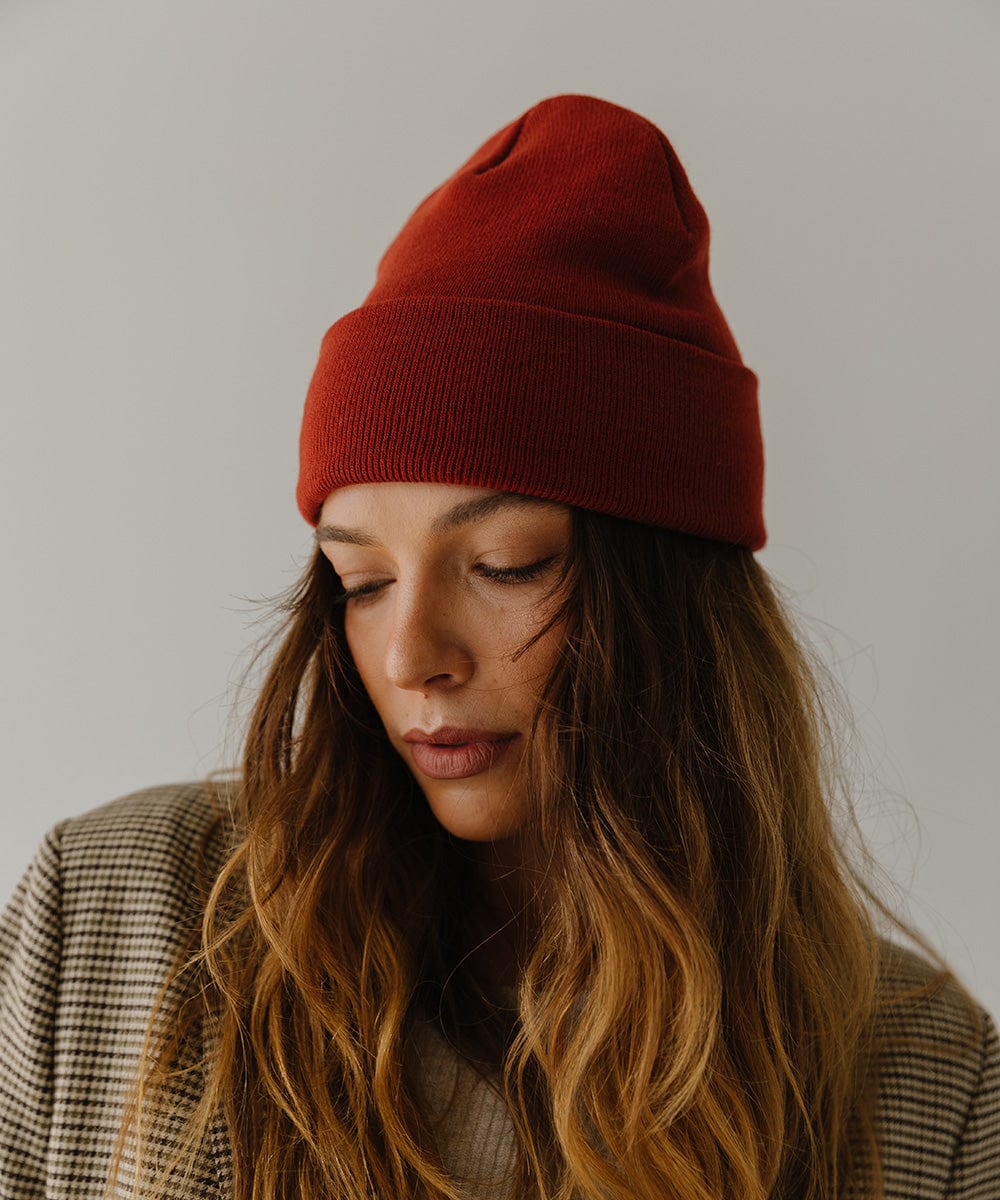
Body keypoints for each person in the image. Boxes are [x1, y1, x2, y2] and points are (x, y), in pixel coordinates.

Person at [0, 93, 996, 1200]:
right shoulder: (114, 916)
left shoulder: (926, 1081)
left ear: (677, 611)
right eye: (360, 580)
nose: (407, 654)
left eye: (508, 564)